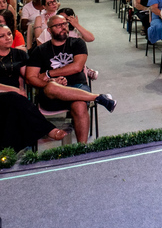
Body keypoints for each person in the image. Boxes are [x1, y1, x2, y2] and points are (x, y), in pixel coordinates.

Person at [0, 24, 68, 151]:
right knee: (14, 99)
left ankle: (7, 150)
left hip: (14, 101)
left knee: (14, 104)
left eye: (9, 34)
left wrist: (51, 80)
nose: (7, 38)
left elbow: (30, 77)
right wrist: (14, 90)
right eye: (2, 36)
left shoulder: (19, 55)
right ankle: (48, 129)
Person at [24, 14, 115, 144]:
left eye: (65, 24)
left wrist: (49, 73)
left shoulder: (77, 43)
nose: (63, 28)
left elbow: (77, 67)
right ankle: (98, 97)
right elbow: (30, 78)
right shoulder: (39, 50)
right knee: (51, 87)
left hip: (77, 87)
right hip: (52, 96)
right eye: (58, 25)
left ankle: (81, 149)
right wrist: (51, 81)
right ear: (49, 30)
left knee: (79, 105)